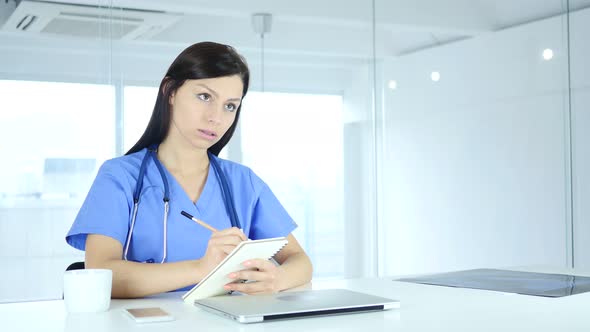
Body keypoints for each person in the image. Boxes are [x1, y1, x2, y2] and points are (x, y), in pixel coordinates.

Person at [65, 41, 313, 298]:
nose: (215, 117)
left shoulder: (242, 182)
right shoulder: (120, 177)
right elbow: (100, 274)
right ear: (170, 91)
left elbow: (300, 261)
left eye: (230, 105)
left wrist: (277, 278)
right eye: (205, 96)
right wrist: (201, 268)